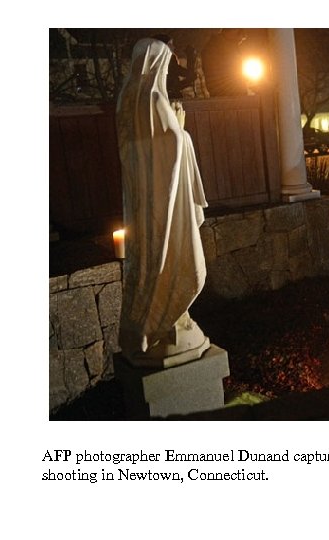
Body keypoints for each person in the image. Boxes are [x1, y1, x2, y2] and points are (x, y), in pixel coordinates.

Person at [116, 37, 210, 365]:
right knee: (185, 269)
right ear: (157, 64)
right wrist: (181, 130)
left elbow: (137, 152)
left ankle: (150, 323)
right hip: (167, 205)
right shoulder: (154, 99)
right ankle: (164, 324)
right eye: (166, 64)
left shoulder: (127, 102)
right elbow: (170, 145)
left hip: (147, 205)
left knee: (150, 265)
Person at [200, 29, 247, 97]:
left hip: (232, 96)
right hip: (226, 97)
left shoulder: (228, 46)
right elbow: (213, 78)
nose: (239, 42)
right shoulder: (213, 48)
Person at [152, 34, 196, 100]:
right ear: (163, 46)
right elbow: (187, 74)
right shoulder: (169, 60)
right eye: (170, 44)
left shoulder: (155, 61)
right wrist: (191, 57)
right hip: (171, 97)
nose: (173, 47)